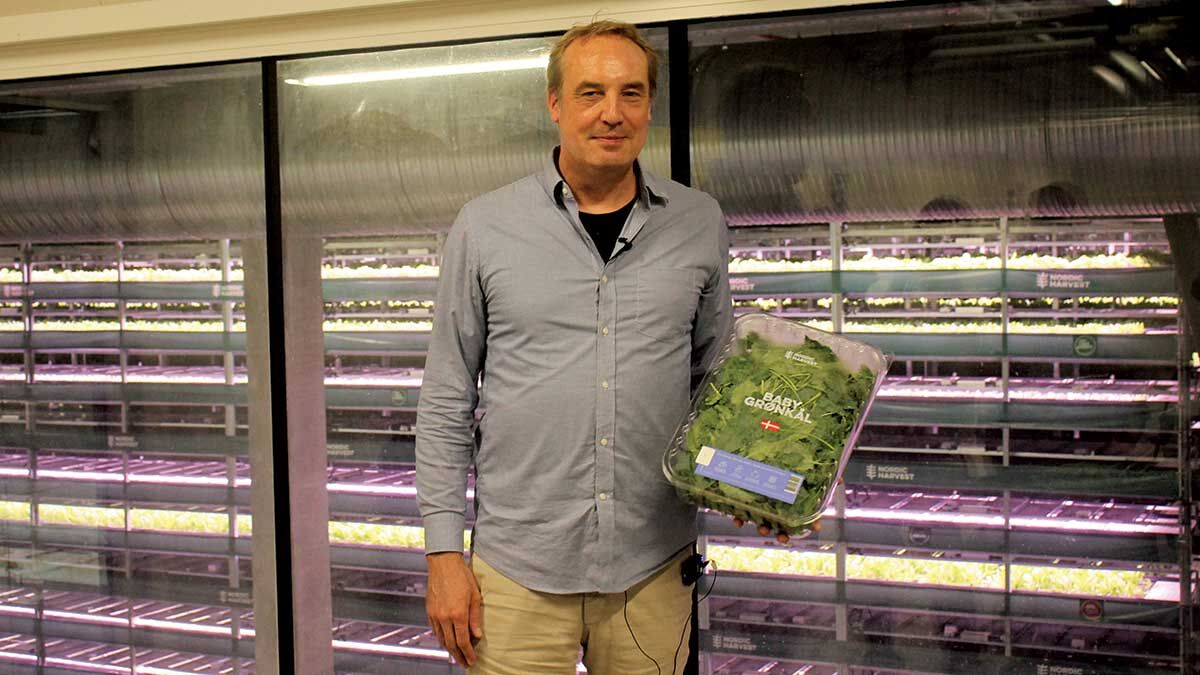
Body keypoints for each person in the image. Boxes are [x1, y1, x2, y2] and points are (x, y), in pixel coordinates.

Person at [416, 19, 781, 674]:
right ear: (555, 104)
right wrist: (444, 555)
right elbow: (445, 399)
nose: (612, 113)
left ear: (649, 105)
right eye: (591, 93)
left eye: (631, 94)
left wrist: (764, 484)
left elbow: (719, 385)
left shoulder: (698, 223)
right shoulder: (486, 226)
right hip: (517, 573)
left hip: (652, 570)